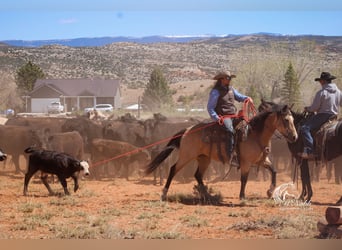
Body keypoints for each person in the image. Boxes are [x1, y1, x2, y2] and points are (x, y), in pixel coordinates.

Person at [207, 71, 251, 160]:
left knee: (245, 126)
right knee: (230, 130)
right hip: (223, 117)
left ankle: (243, 151)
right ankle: (230, 155)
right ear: (221, 79)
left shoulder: (231, 89)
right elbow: (210, 107)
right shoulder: (215, 92)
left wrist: (247, 98)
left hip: (233, 116)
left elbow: (239, 96)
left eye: (230, 78)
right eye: (228, 78)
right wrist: (216, 118)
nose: (230, 80)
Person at [299, 72, 342, 159]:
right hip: (333, 116)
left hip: (322, 116)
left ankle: (310, 151)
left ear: (323, 81)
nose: (320, 83)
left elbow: (315, 108)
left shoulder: (322, 92)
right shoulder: (339, 92)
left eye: (320, 81)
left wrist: (307, 109)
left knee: (304, 128)